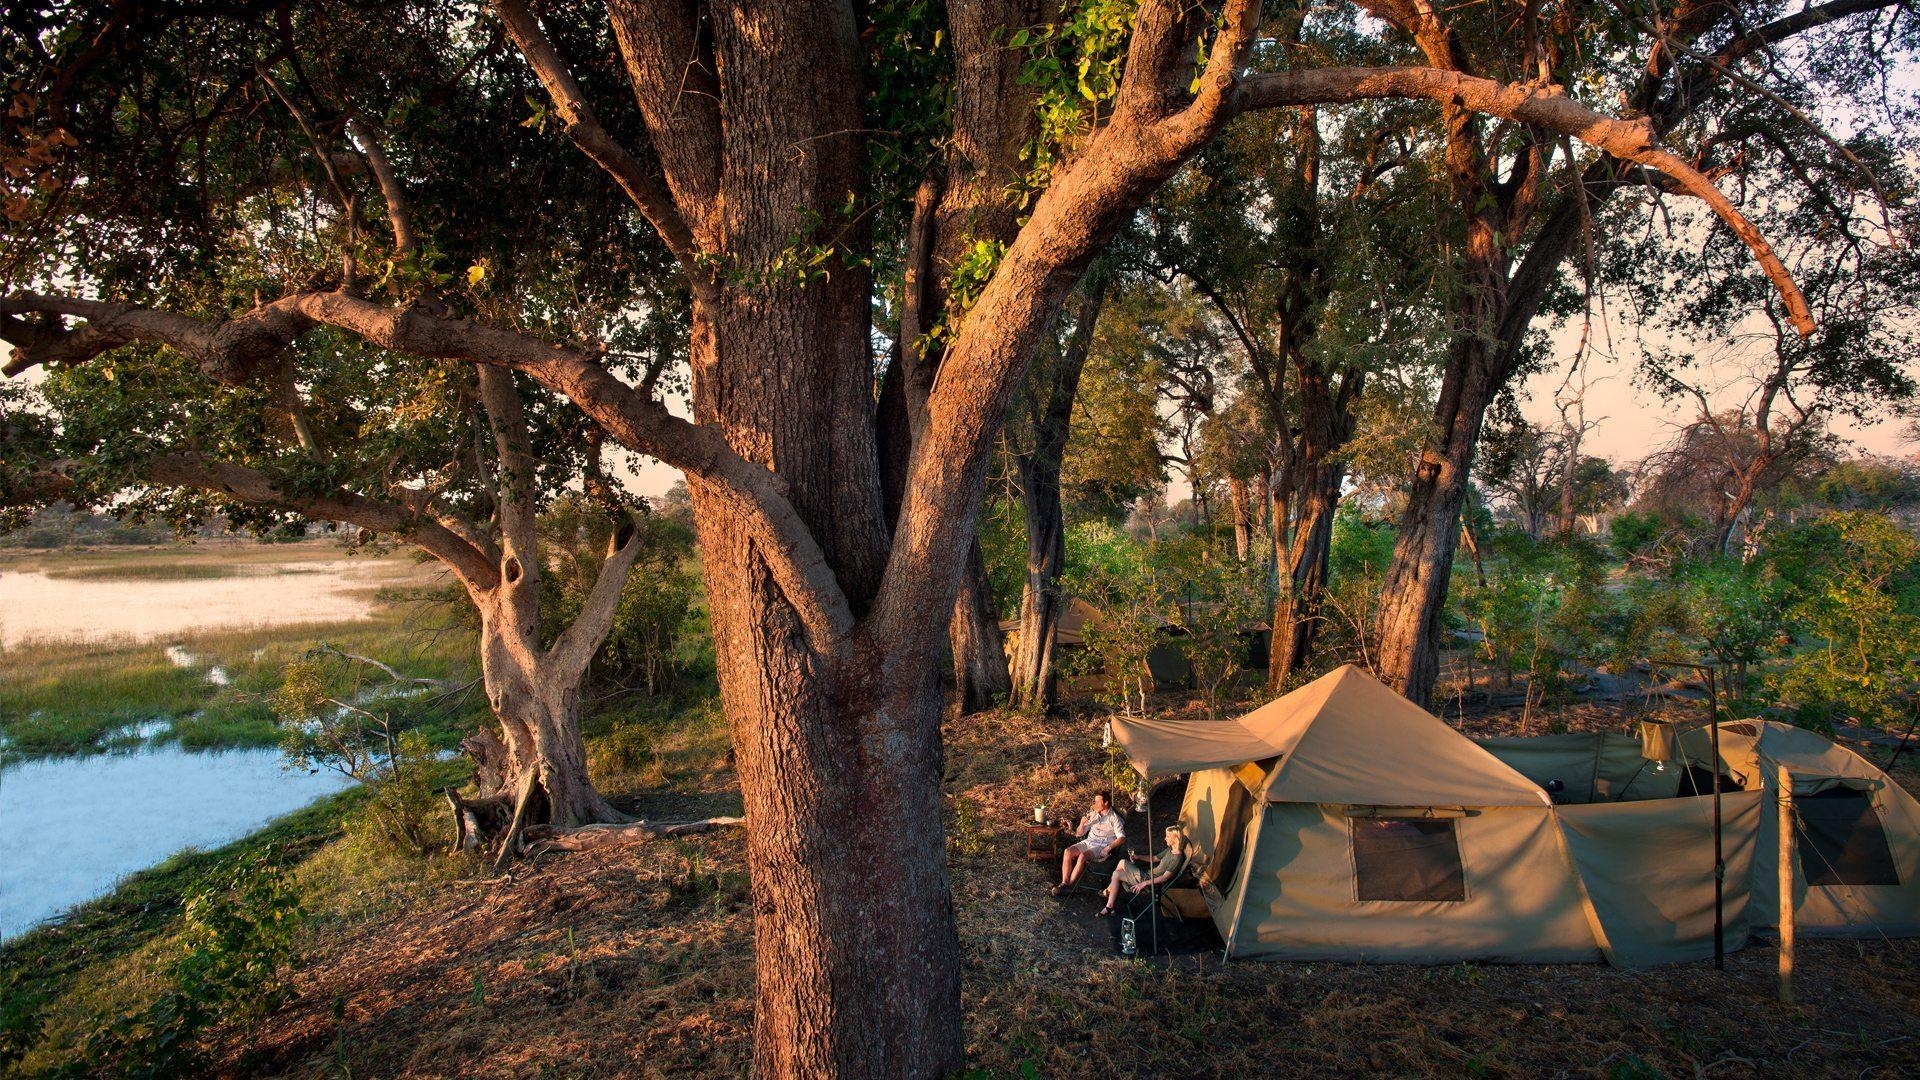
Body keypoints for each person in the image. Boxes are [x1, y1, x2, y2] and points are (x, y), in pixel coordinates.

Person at [1097, 825, 1190, 918]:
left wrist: (1144, 883)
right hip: (1146, 874)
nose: (1165, 838)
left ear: (1176, 839)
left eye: (1168, 836)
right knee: (1116, 873)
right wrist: (1138, 857)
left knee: (1122, 863)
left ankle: (1108, 892)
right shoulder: (1170, 850)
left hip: (1149, 881)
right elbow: (1154, 858)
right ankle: (1109, 906)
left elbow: (1164, 878)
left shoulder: (1176, 858)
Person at [1050, 791, 1125, 896]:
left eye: (1097, 802)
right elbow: (1079, 834)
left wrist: (1109, 848)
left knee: (1082, 856)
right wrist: (1082, 823)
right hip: (1089, 841)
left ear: (1106, 802)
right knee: (1067, 852)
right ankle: (1064, 884)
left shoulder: (1115, 818)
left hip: (1101, 845)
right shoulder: (1093, 814)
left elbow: (1122, 838)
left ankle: (1069, 887)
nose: (1094, 804)